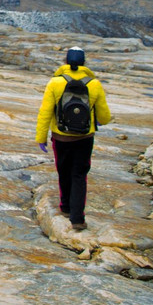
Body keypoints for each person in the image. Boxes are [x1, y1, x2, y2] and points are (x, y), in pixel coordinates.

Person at [35, 47, 112, 231]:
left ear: (66, 61)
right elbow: (105, 117)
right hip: (85, 137)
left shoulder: (55, 83)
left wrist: (41, 137)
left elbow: (45, 112)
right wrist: (97, 121)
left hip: (61, 137)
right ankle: (77, 218)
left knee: (63, 171)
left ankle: (66, 207)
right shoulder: (94, 84)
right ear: (84, 62)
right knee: (79, 175)